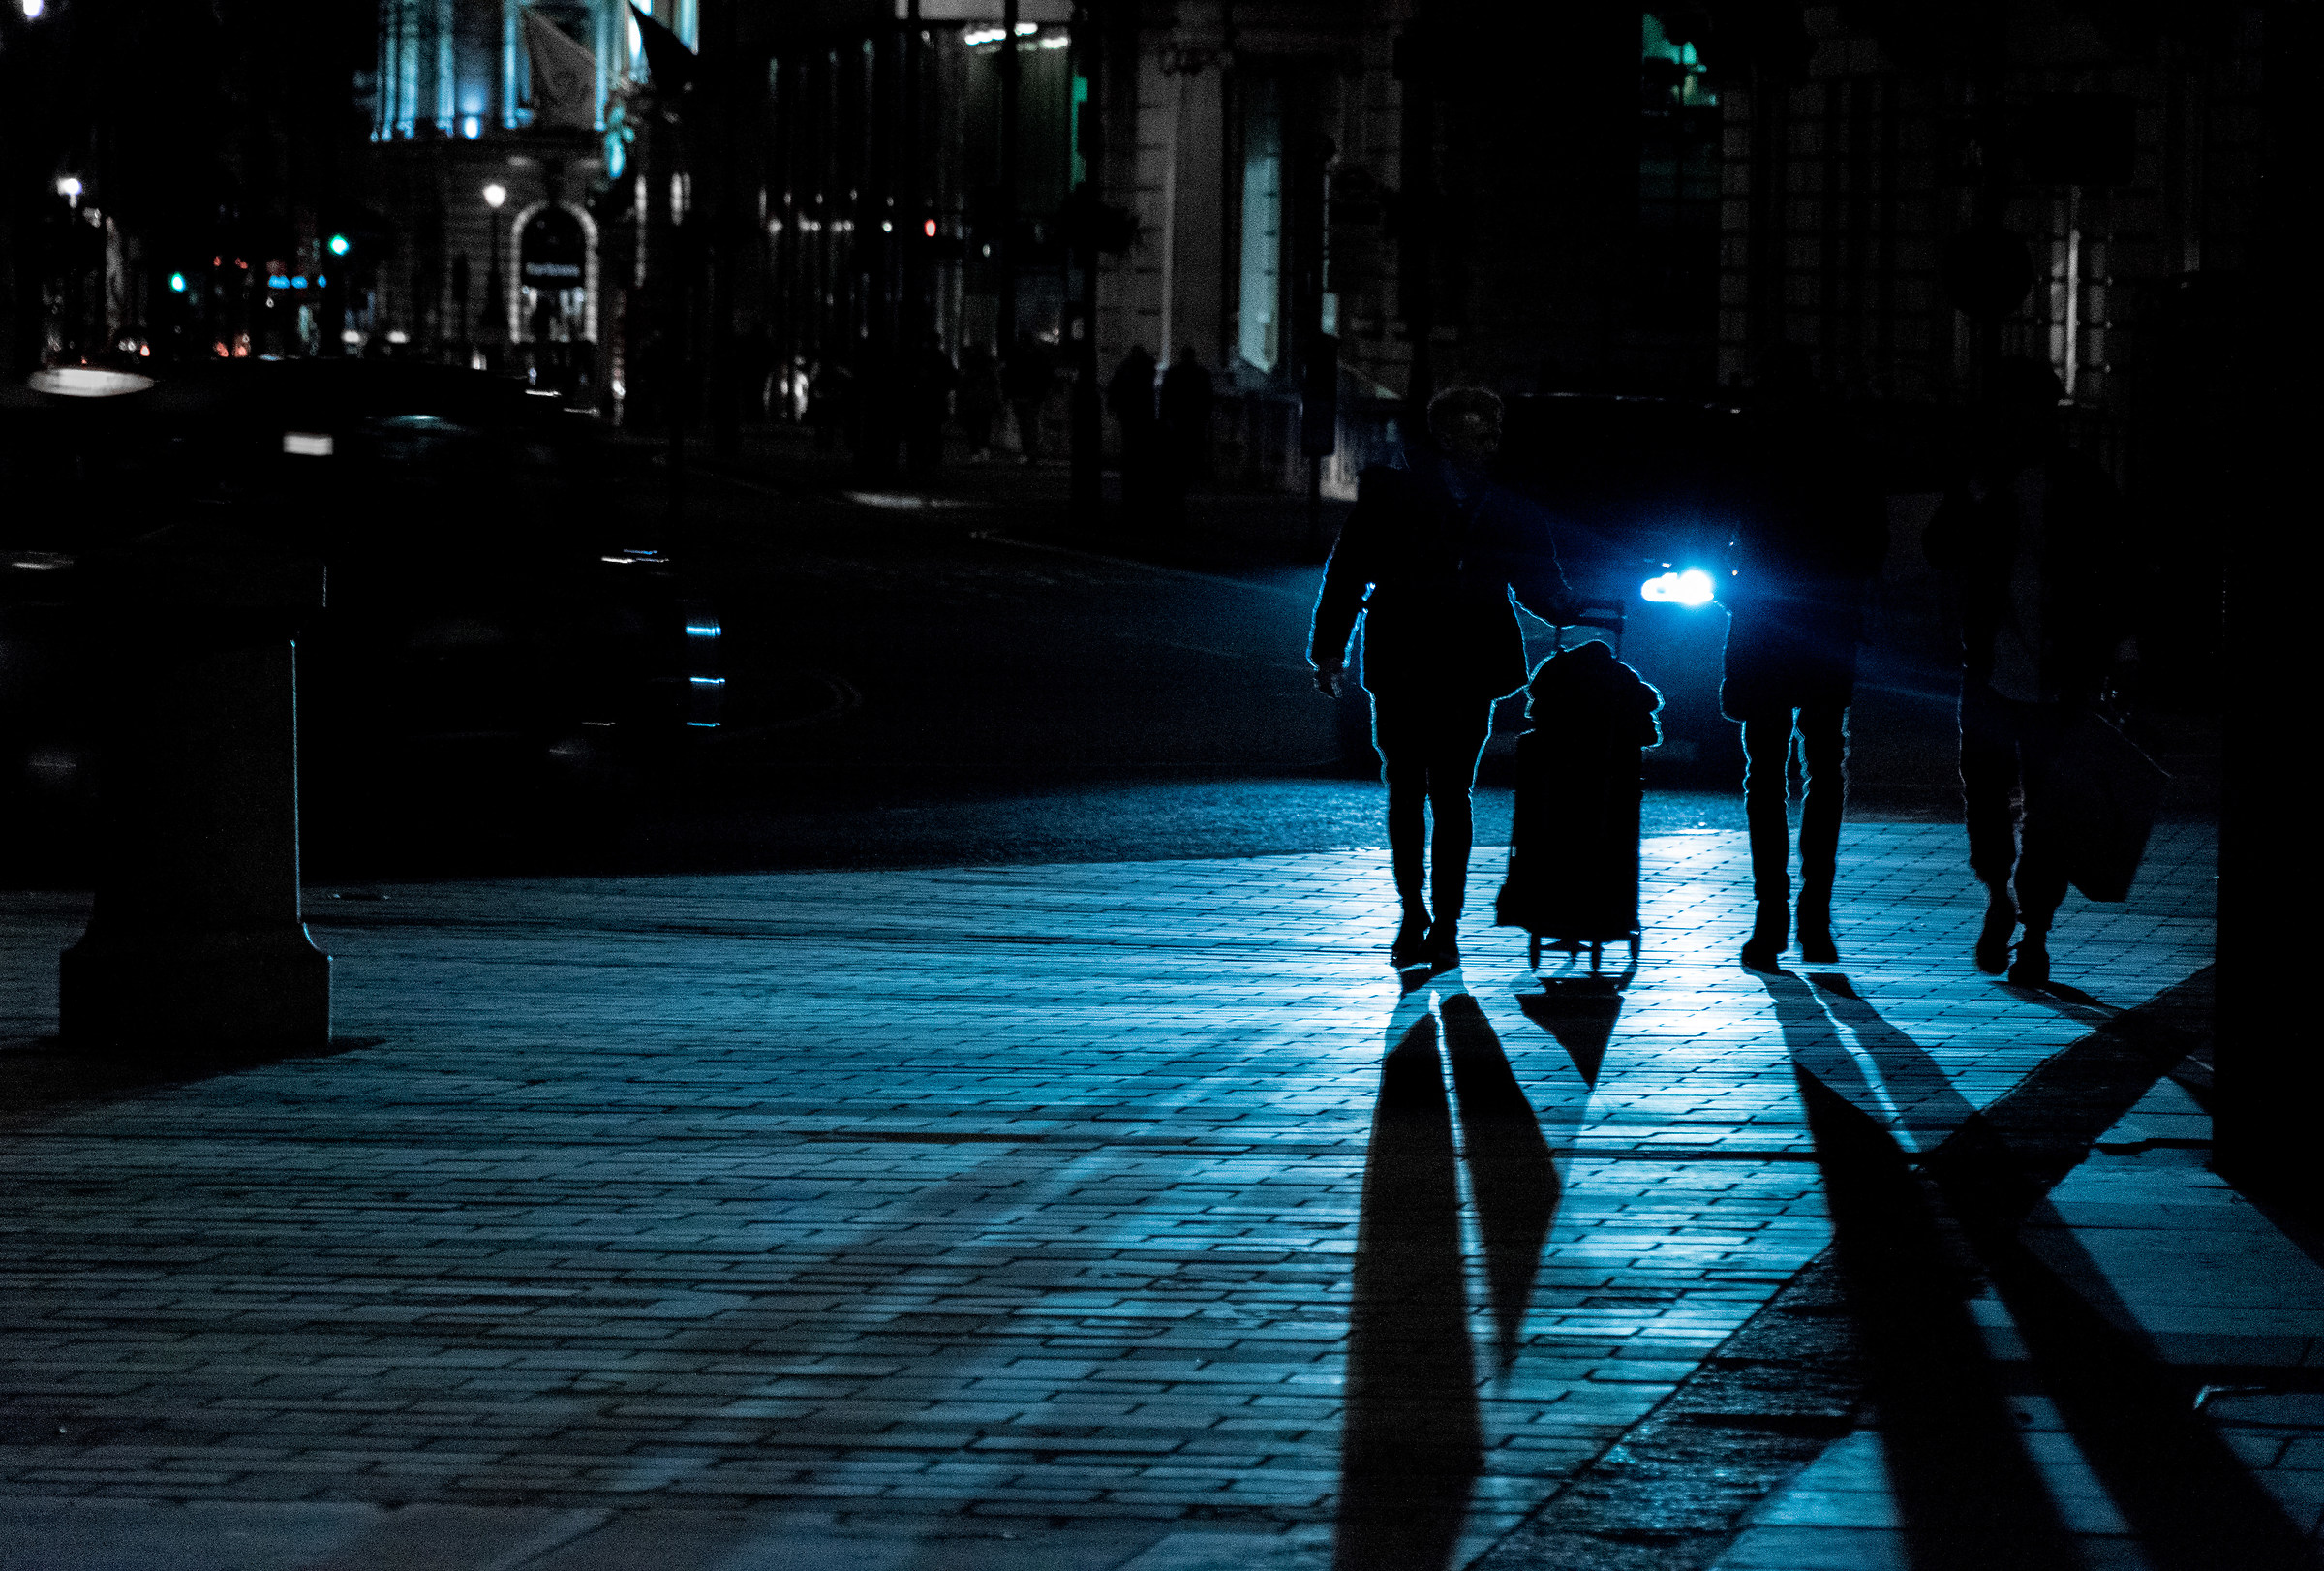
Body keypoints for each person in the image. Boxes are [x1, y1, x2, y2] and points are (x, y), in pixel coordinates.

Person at [1309, 386, 1573, 970]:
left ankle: (1442, 921)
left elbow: (1538, 582)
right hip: (1408, 655)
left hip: (1462, 661)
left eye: (1493, 433)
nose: (1490, 445)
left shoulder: (1504, 503)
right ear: (1448, 437)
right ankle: (1415, 912)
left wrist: (1576, 605)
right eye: (1480, 434)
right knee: (1409, 788)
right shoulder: (1395, 495)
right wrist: (1329, 650)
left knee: (1448, 791)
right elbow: (1348, 572)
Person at [1924, 358, 2138, 985]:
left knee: (2049, 809)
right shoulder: (1985, 479)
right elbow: (1941, 548)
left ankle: (2034, 931)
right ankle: (2001, 899)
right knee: (1987, 799)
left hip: (2058, 670)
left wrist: (2123, 649)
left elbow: (2118, 567)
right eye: (2011, 409)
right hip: (1993, 666)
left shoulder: (2082, 482)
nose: (2019, 421)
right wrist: (1975, 496)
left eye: (2030, 409)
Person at [1724, 355, 1888, 970]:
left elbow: (1719, 528)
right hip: (1820, 622)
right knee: (1821, 769)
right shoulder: (1845, 454)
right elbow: (1872, 545)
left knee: (1767, 773)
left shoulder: (1751, 454)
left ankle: (1773, 915)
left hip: (1768, 623)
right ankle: (1811, 916)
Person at [1107, 346, 1160, 525]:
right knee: (1140, 446)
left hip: (1129, 412)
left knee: (1131, 445)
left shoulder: (1127, 367)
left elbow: (1115, 387)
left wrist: (1112, 404)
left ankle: (1133, 475)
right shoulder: (1146, 368)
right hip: (1142, 413)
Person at [1158, 346, 1213, 512]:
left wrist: (1164, 417)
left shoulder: (1174, 373)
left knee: (1178, 453)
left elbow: (1165, 396)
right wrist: (1205, 415)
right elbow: (1207, 396)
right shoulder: (1201, 374)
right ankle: (1186, 480)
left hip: (1178, 418)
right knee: (1192, 451)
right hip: (1194, 418)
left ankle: (1177, 485)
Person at [906, 332, 958, 471]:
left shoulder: (919, 358)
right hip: (936, 400)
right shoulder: (943, 359)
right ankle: (931, 459)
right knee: (933, 432)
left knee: (920, 431)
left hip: (921, 400)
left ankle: (919, 457)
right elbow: (953, 379)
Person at [1001, 331, 1053, 464]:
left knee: (1024, 425)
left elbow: (1008, 375)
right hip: (1032, 394)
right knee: (1030, 424)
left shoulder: (1015, 355)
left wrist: (1007, 393)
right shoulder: (1039, 355)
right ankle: (1031, 451)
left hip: (1020, 393)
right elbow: (1045, 375)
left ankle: (1027, 451)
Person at [957, 342, 1003, 463]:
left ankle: (976, 452)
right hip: (983, 401)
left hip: (973, 401)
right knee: (984, 427)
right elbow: (994, 386)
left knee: (973, 428)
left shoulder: (969, 369)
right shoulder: (988, 369)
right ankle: (983, 449)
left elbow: (963, 386)